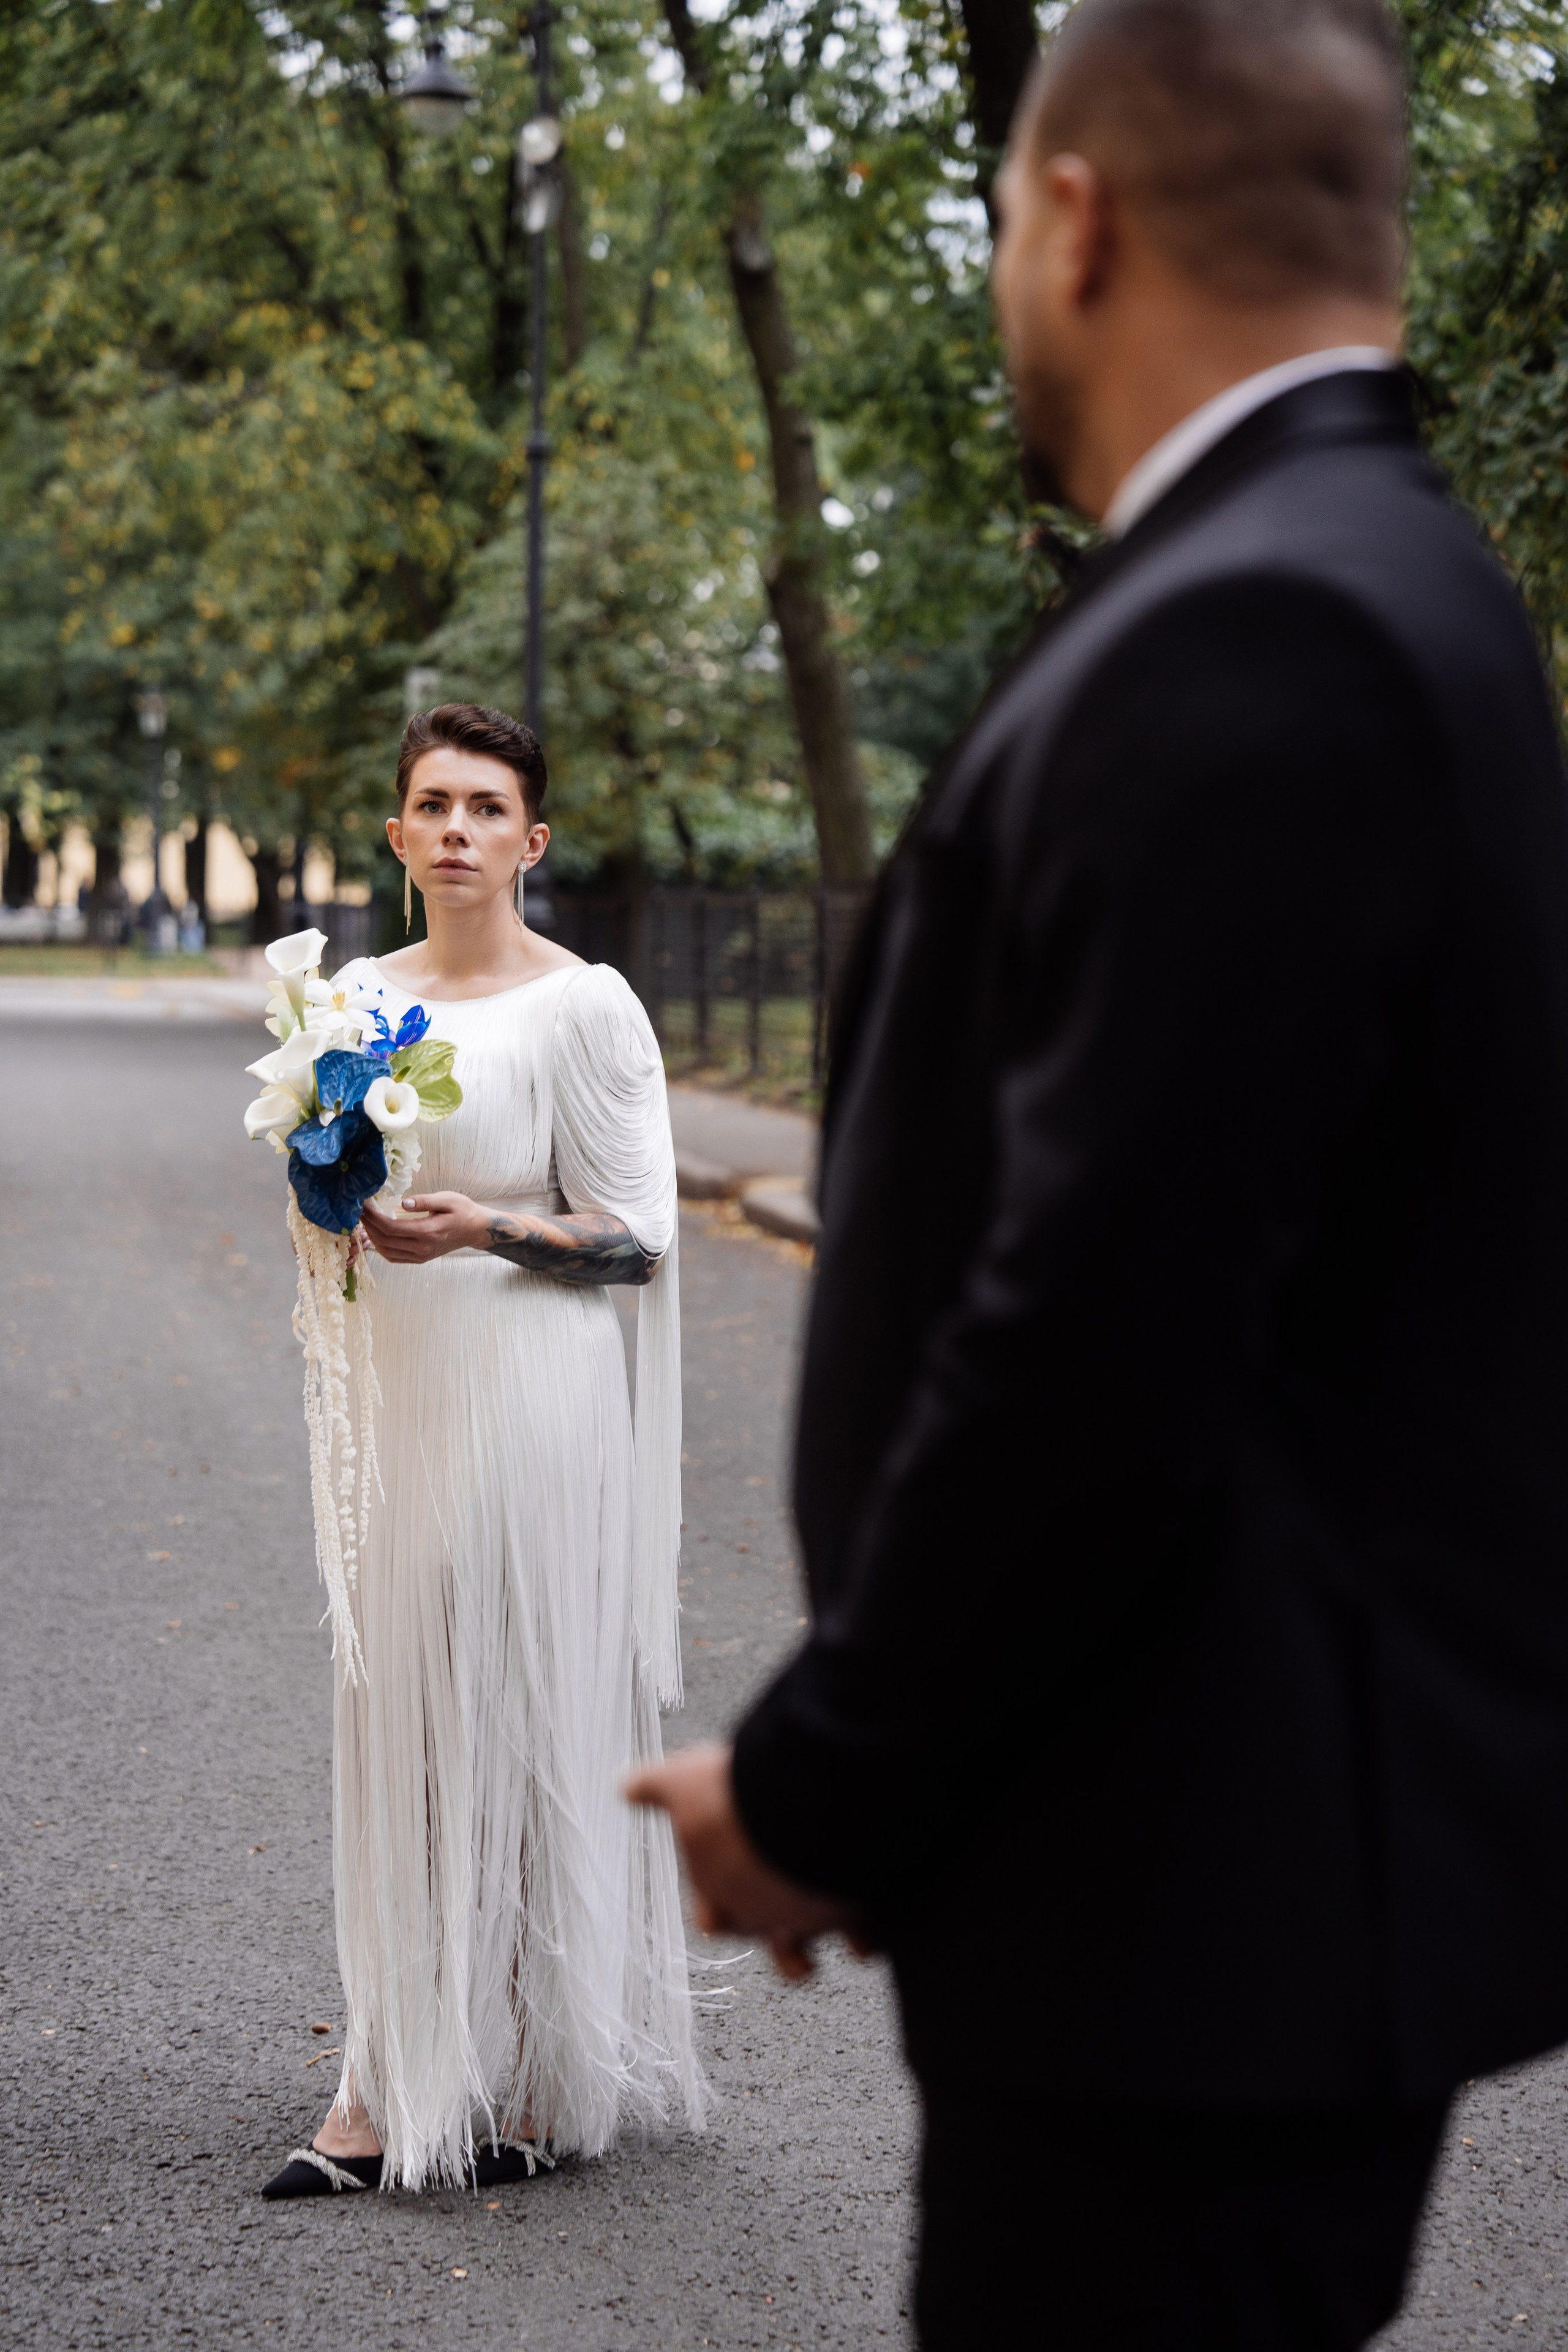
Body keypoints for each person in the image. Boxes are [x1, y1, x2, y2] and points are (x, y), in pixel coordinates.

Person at [630, 2, 1568, 2343]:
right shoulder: (1394, 574)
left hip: (1193, 1909)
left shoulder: (1263, 629)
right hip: (1218, 1886)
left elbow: (1107, 1329)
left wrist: (822, 1783)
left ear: (1075, 219)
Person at [263, 701, 701, 2197]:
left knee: (512, 1708)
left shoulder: (584, 1009)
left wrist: (488, 1229)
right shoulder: (346, 1005)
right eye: (434, 804)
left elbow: (638, 1240)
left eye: (487, 807)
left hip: (533, 1386)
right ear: (396, 835)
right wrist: (332, 1200)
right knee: (402, 1720)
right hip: (405, 1390)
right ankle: (385, 2077)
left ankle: (527, 2073)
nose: (458, 828)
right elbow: (334, 1191)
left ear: (531, 840)